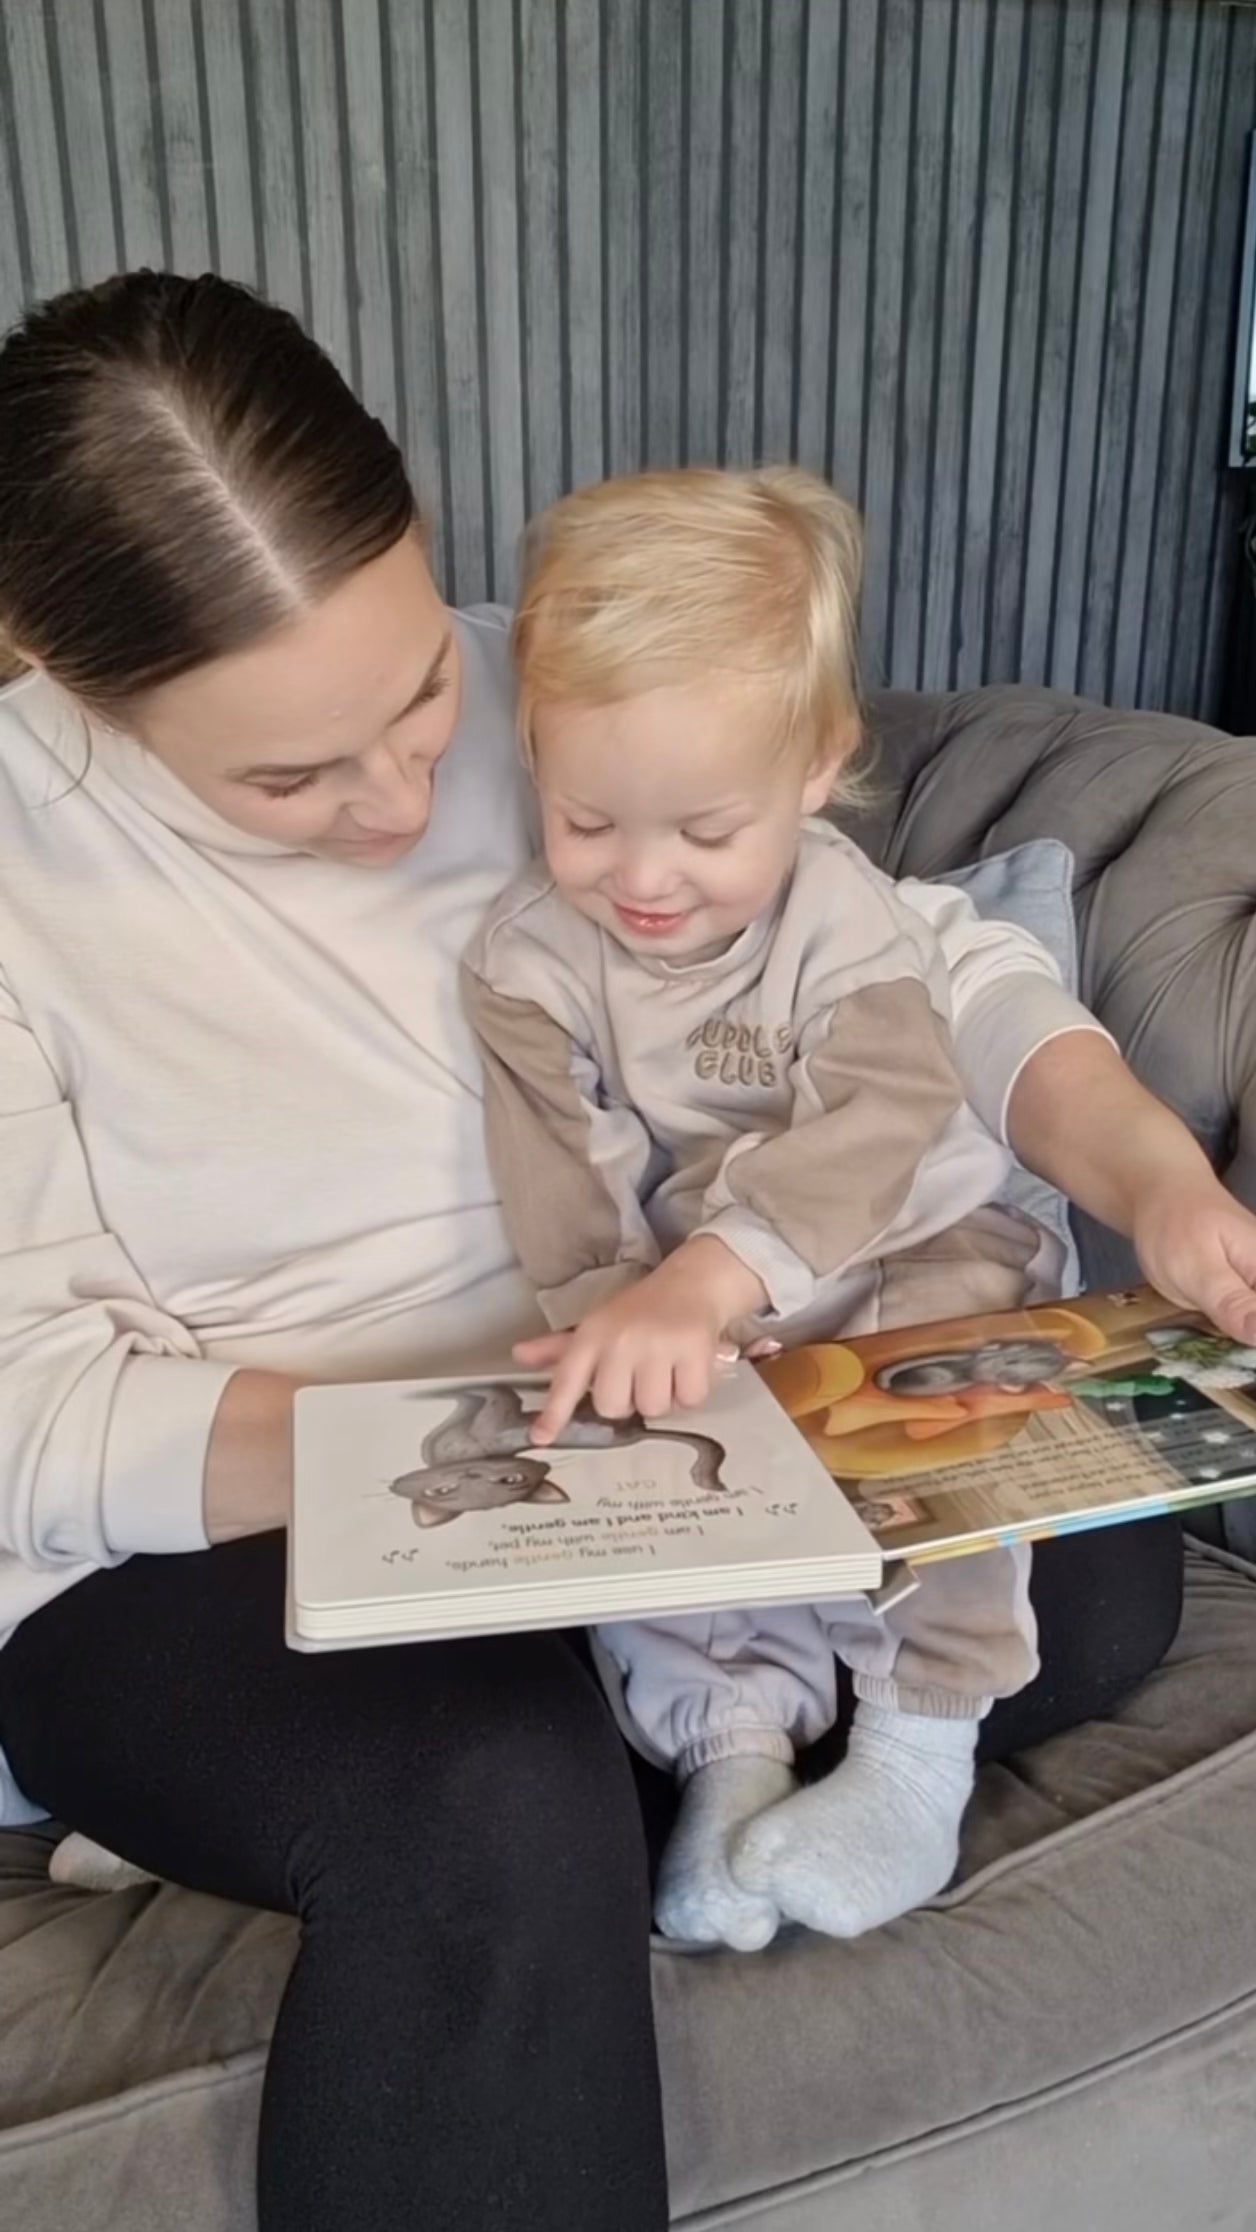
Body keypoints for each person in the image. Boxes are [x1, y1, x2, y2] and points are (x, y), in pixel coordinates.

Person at [0, 271, 1251, 2232]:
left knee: (1084, 1578)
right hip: (222, 1548)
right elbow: (35, 1415)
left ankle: (673, 1707)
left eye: (416, 693)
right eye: (285, 781)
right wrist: (488, 1441)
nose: (406, 796)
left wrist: (1158, 1177)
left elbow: (928, 963)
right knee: (482, 1777)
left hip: (671, 1421)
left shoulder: (561, 694)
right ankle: (579, 1753)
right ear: (62, 675)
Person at [457, 468, 1116, 1947]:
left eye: (703, 830)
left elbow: (881, 1120)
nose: (641, 879)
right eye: (586, 820)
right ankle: (731, 1748)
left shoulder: (849, 926)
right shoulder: (522, 962)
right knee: (632, 1441)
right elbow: (562, 1195)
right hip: (706, 1280)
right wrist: (627, 1323)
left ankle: (915, 1745)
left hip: (920, 1240)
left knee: (944, 1403)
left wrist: (720, 1278)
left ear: (818, 765)